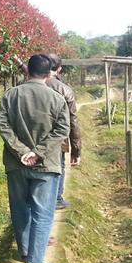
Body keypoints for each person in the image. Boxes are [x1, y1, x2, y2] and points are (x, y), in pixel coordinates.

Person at [0, 54, 70, 263]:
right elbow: (62, 130)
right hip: (45, 165)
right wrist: (38, 153)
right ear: (49, 73)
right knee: (42, 212)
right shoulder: (57, 98)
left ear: (27, 70)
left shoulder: (10, 96)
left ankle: (26, 252)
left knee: (20, 209)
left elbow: (3, 125)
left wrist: (21, 151)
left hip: (16, 164)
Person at [44, 53, 80, 210]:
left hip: (32, 136)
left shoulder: (26, 84)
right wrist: (76, 150)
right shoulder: (64, 90)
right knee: (59, 166)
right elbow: (73, 122)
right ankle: (56, 198)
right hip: (58, 139)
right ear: (59, 69)